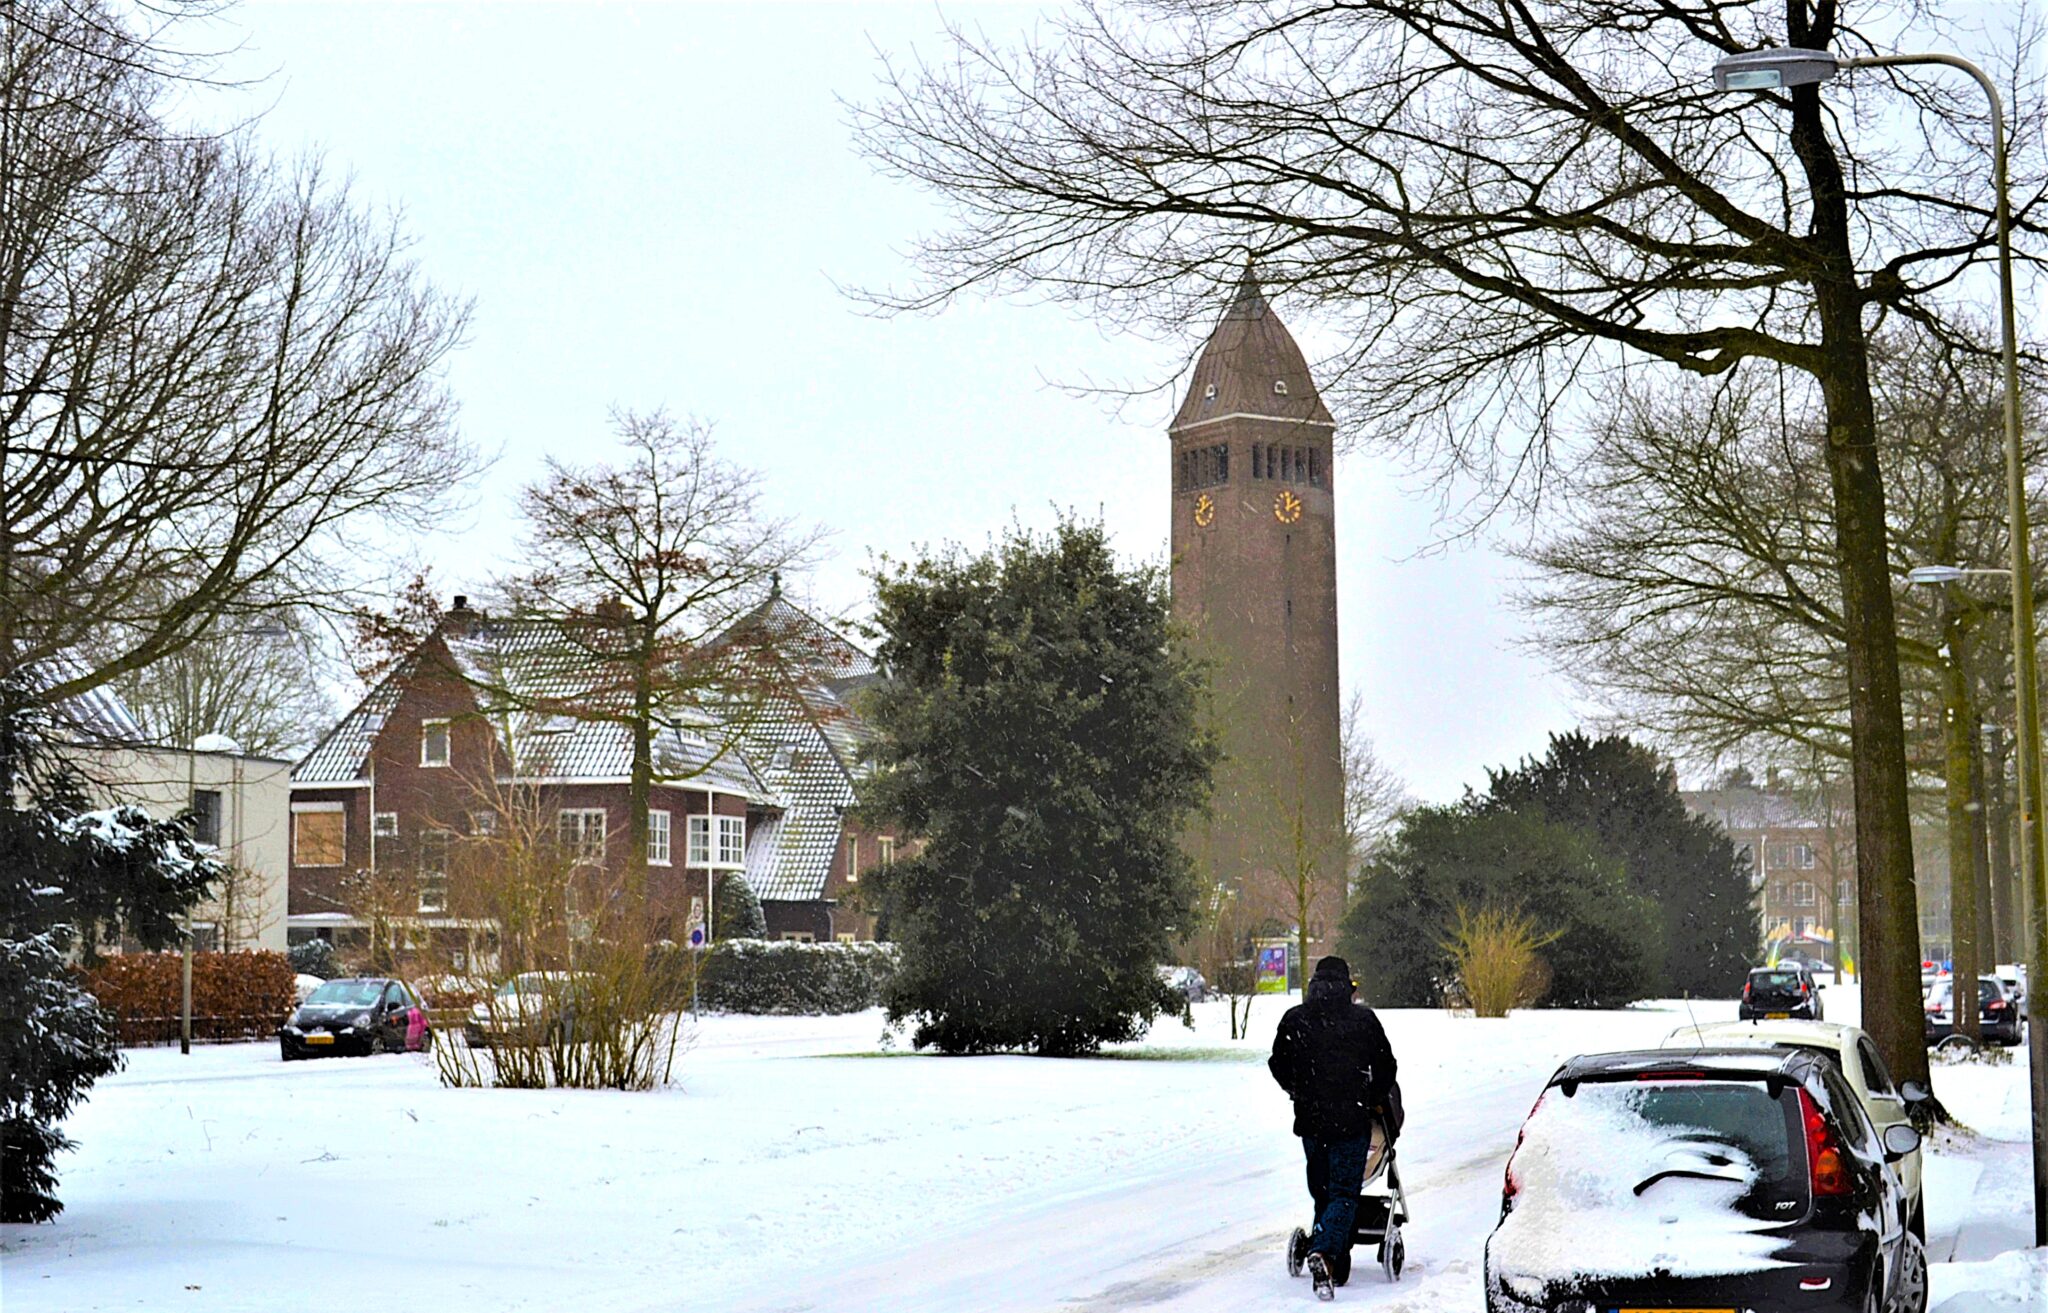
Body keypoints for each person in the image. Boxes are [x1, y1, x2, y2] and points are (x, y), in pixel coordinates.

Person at [1268, 955, 1398, 1300]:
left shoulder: (1296, 1019)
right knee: (1343, 1193)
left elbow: (1277, 1063)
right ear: (1347, 985)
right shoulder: (1363, 1020)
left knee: (1323, 1192)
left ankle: (1335, 1267)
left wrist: (1297, 1089)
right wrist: (1370, 1096)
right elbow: (1386, 1067)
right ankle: (1324, 1252)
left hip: (1311, 1121)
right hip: (1350, 1119)